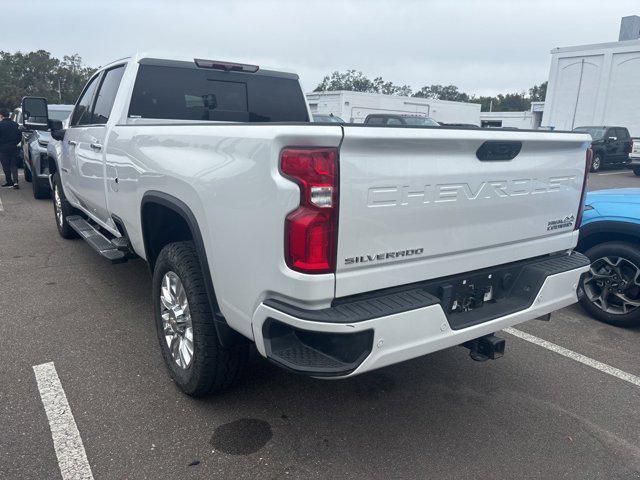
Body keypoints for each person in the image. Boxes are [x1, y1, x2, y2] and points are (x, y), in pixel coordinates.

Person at [0, 108, 22, 189]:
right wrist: (15, 143)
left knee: (5, 165)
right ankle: (16, 182)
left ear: (1, 116)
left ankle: (9, 181)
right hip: (14, 147)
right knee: (14, 165)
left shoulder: (0, 125)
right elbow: (20, 136)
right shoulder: (15, 125)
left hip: (3, 149)